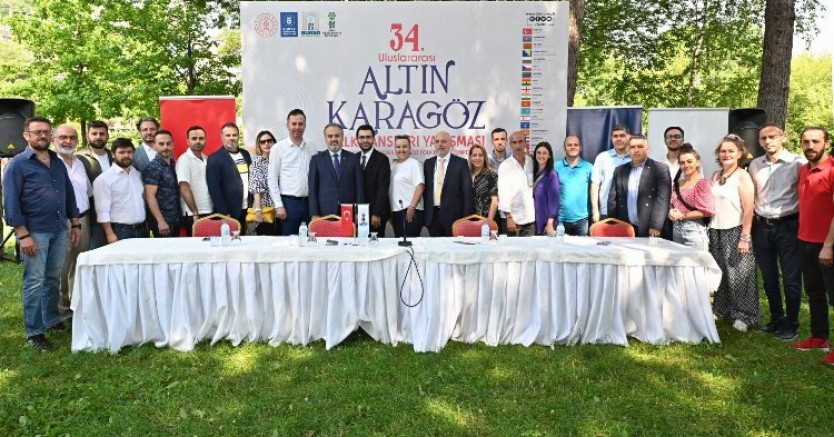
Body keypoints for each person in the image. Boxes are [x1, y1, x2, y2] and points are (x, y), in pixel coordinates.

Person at [3, 117, 81, 350]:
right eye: (37, 132)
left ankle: (51, 319)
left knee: (53, 278)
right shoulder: (17, 164)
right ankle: (34, 332)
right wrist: (22, 234)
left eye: (46, 131)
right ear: (26, 135)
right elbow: (11, 202)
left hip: (59, 228)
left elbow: (68, 193)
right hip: (34, 232)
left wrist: (75, 224)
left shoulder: (57, 161)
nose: (42, 135)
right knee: (35, 281)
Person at [748, 123, 805, 341]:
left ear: (783, 138)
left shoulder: (798, 163)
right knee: (769, 278)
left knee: (791, 279)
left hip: (789, 226)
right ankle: (776, 318)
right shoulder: (755, 164)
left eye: (773, 136)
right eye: (764, 138)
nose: (768, 141)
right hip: (762, 227)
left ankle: (791, 323)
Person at [791, 127, 834, 365]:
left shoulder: (832, 170)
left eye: (815, 141)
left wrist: (828, 245)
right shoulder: (804, 169)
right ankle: (819, 338)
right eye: (806, 141)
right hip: (805, 241)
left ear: (826, 144)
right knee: (815, 293)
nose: (810, 146)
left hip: (828, 244)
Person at [709, 134, 758, 332]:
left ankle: (745, 316)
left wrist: (745, 237)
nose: (726, 154)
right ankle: (723, 310)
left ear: (739, 154)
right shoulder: (716, 175)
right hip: (715, 230)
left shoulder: (742, 176)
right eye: (723, 151)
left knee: (739, 275)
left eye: (731, 151)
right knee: (721, 273)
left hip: (736, 230)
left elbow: (749, 209)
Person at [54, 125, 91, 323]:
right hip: (62, 222)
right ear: (53, 139)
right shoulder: (51, 164)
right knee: (62, 266)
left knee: (78, 265)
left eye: (71, 137)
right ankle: (61, 311)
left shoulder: (80, 163)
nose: (67, 141)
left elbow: (87, 192)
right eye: (62, 137)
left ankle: (75, 307)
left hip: (83, 220)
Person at [607, 134, 671, 237]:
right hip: (625, 226)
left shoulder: (660, 169)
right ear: (628, 149)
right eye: (632, 147)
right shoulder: (620, 170)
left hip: (649, 228)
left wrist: (656, 225)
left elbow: (662, 199)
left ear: (647, 149)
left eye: (640, 147)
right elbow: (612, 199)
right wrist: (613, 222)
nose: (636, 150)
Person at [268, 108, 316, 236]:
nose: (297, 127)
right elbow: (272, 179)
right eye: (294, 124)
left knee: (309, 239)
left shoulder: (311, 146)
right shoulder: (278, 148)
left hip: (309, 203)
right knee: (289, 241)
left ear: (305, 125)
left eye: (300, 124)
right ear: (287, 125)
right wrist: (278, 205)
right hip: (289, 204)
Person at [93, 138, 147, 243]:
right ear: (113, 154)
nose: (126, 155)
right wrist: (109, 233)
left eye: (129, 152)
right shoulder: (104, 179)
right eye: (121, 152)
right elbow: (102, 211)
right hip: (120, 231)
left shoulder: (137, 175)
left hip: (141, 230)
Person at [423, 131, 474, 236]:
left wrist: (466, 219)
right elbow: (426, 191)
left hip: (454, 218)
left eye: (443, 141)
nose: (440, 144)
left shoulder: (461, 163)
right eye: (437, 141)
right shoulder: (428, 163)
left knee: (454, 246)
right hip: (433, 217)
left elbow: (467, 193)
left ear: (450, 143)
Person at [308, 123, 364, 217]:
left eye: (337, 136)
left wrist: (359, 212)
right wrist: (314, 214)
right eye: (330, 136)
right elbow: (312, 190)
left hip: (348, 212)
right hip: (324, 212)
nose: (334, 139)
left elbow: (359, 189)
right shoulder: (316, 160)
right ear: (325, 138)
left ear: (342, 137)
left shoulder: (353, 159)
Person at [667, 143, 714, 250]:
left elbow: (707, 211)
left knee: (698, 261)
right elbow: (671, 204)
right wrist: (670, 212)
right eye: (682, 162)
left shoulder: (703, 184)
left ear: (697, 162)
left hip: (694, 232)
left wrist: (682, 215)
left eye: (689, 161)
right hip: (676, 230)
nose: (686, 165)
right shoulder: (677, 184)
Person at [206, 122, 251, 230]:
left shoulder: (245, 154)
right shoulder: (214, 158)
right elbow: (214, 189)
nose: (231, 138)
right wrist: (224, 213)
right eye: (228, 135)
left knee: (243, 238)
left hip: (246, 208)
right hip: (229, 212)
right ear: (221, 137)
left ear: (238, 136)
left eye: (234, 135)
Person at [76, 120, 112, 249]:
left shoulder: (114, 156)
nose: (98, 137)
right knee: (97, 252)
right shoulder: (79, 158)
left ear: (107, 136)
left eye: (102, 134)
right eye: (94, 133)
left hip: (117, 215)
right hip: (93, 217)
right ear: (87, 136)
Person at [143, 129, 181, 237]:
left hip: (176, 218)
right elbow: (150, 196)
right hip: (163, 222)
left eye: (168, 143)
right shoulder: (153, 167)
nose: (165, 147)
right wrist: (160, 221)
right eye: (161, 144)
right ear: (154, 145)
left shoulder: (173, 164)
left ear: (173, 144)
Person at [176, 126, 213, 236]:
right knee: (197, 245)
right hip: (194, 214)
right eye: (194, 138)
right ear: (188, 141)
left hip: (209, 211)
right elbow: (184, 188)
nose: (198, 141)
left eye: (201, 138)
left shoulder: (206, 158)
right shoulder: (184, 160)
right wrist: (195, 212)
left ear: (205, 140)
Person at [498, 131, 536, 236]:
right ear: (510, 145)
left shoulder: (532, 162)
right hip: (512, 220)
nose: (518, 145)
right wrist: (509, 217)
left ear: (525, 143)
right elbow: (503, 193)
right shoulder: (505, 166)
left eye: (520, 141)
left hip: (530, 219)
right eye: (514, 142)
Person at [591, 124, 631, 223]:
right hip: (606, 211)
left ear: (629, 137)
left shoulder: (635, 158)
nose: (618, 139)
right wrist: (595, 210)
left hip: (630, 212)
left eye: (622, 135)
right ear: (611, 138)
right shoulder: (603, 157)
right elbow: (595, 185)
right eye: (615, 136)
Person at [554, 135, 593, 236]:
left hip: (582, 220)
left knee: (581, 246)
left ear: (580, 148)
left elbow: (593, 191)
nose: (573, 147)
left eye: (576, 145)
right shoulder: (555, 166)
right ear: (564, 148)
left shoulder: (588, 167)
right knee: (560, 247)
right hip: (561, 220)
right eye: (569, 145)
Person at [357, 124, 391, 236]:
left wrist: (376, 213)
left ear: (373, 139)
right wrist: (355, 212)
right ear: (357, 139)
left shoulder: (382, 159)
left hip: (376, 215)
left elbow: (383, 188)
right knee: (359, 244)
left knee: (376, 244)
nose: (365, 140)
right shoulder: (354, 158)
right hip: (358, 214)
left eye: (368, 137)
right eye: (362, 137)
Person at [389, 135, 425, 237]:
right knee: (399, 242)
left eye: (405, 146)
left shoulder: (414, 163)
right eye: (398, 147)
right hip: (396, 212)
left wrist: (412, 207)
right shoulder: (393, 165)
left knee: (410, 243)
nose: (401, 149)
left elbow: (420, 186)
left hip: (410, 211)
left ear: (410, 148)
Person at [248, 130, 280, 235]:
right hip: (264, 210)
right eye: (262, 142)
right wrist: (258, 211)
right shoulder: (256, 164)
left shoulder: (279, 161)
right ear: (259, 145)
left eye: (269, 141)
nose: (266, 144)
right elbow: (256, 190)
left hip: (280, 209)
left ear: (274, 142)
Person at [661, 126, 685, 240]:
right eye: (670, 137)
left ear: (683, 140)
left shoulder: (690, 163)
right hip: (663, 214)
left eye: (677, 136)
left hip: (684, 215)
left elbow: (697, 187)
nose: (673, 139)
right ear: (665, 141)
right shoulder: (658, 163)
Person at [532, 141, 560, 236]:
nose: (541, 155)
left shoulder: (552, 175)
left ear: (549, 156)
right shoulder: (532, 173)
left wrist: (550, 223)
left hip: (545, 222)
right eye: (539, 153)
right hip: (532, 221)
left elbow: (554, 200)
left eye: (545, 153)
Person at [469, 142, 498, 221]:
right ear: (470, 157)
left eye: (480, 155)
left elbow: (494, 201)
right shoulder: (465, 175)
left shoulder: (491, 175)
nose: (477, 158)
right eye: (474, 155)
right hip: (467, 220)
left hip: (485, 220)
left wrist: (489, 221)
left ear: (485, 157)